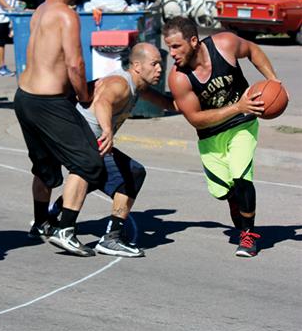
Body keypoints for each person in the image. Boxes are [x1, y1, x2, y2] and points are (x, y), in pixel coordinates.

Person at [40, 43, 175, 257]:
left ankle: (52, 217)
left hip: (82, 139)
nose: (160, 68)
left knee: (100, 176)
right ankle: (109, 238)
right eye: (155, 64)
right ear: (137, 66)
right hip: (81, 139)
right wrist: (107, 130)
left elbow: (168, 104)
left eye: (160, 63)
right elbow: (103, 101)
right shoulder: (121, 83)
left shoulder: (138, 86)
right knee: (131, 172)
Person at [163, 16, 278, 257]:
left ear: (193, 41)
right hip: (210, 134)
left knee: (241, 176)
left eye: (176, 46)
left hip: (242, 124)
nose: (171, 53)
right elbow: (194, 118)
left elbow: (254, 50)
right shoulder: (179, 78)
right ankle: (235, 199)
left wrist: (272, 80)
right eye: (169, 47)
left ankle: (248, 235)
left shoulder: (224, 45)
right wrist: (237, 106)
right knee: (222, 191)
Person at [14, 0, 104, 257]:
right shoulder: (66, 14)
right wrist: (84, 97)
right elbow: (75, 64)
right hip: (49, 102)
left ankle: (41, 223)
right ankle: (65, 229)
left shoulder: (40, 11)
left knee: (45, 166)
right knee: (88, 161)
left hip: (25, 98)